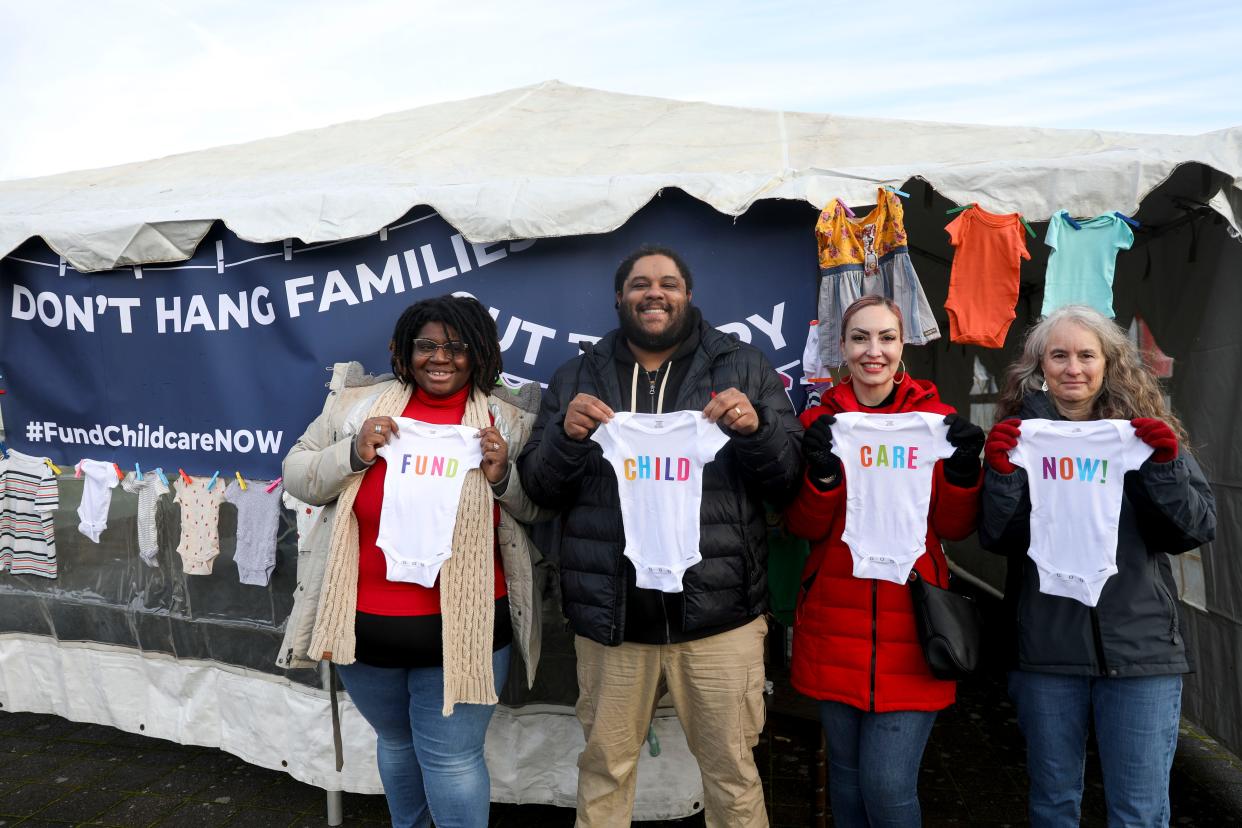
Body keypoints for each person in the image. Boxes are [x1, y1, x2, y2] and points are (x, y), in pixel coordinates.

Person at [517, 245, 802, 827]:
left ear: (688, 295)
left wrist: (756, 430)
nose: (655, 293)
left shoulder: (742, 367)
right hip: (612, 621)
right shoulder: (578, 377)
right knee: (604, 771)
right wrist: (566, 439)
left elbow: (788, 476)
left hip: (721, 618)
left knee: (732, 773)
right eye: (640, 283)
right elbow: (539, 489)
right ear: (620, 297)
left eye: (668, 283)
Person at [278, 295, 549, 828]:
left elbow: (540, 507)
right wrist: (354, 452)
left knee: (451, 759)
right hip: (365, 626)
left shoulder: (510, 420)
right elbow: (296, 473)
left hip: (464, 627)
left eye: (456, 346)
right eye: (427, 345)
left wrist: (501, 476)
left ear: (479, 354)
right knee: (396, 743)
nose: (440, 357)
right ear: (404, 352)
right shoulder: (356, 407)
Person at [979, 305, 1216, 827]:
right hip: (1046, 649)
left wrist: (1164, 466)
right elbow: (997, 537)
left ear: (1109, 362)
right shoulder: (1023, 437)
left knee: (1137, 813)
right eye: (1058, 355)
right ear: (1040, 366)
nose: (1073, 368)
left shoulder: (1142, 433)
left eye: (1086, 355)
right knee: (1054, 807)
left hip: (1141, 653)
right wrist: (1001, 475)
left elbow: (1195, 528)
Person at [783, 295, 985, 827]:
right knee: (846, 783)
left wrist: (964, 473)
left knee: (888, 787)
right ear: (842, 349)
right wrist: (822, 475)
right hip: (834, 625)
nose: (874, 351)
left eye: (886, 338)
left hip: (916, 631)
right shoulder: (820, 423)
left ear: (903, 346)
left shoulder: (934, 423)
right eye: (860, 338)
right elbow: (802, 527)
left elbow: (954, 527)